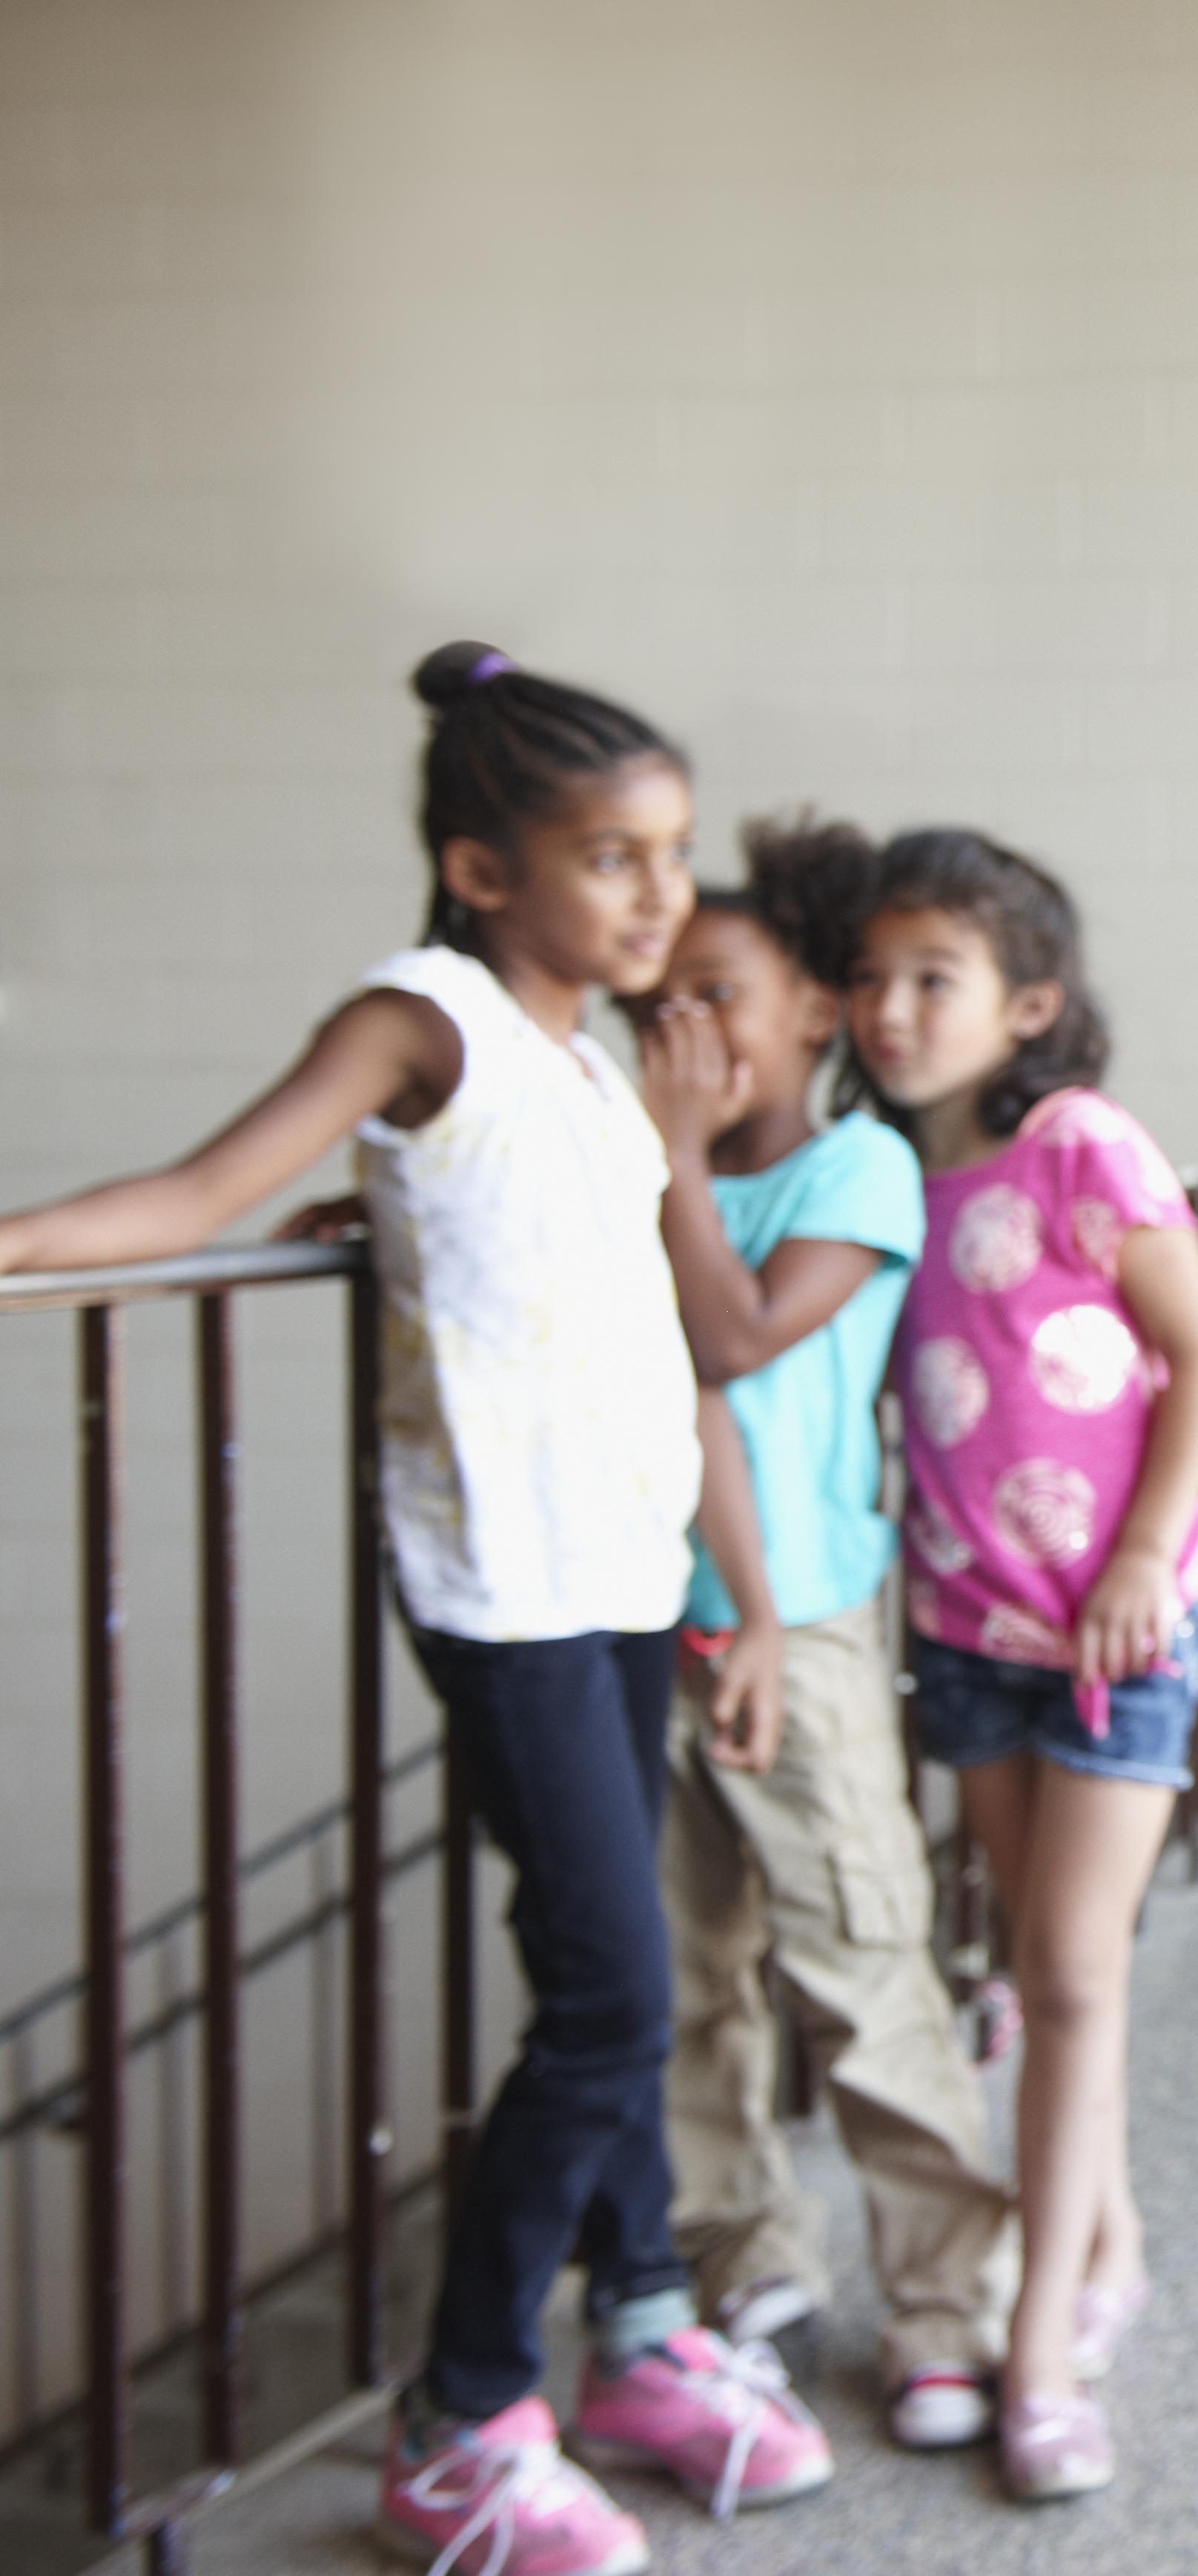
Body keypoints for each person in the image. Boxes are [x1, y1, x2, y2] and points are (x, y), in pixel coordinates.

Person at [0, 646, 834, 2574]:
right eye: (609, 857)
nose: (651, 895)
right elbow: (211, 1179)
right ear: (479, 866)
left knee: (606, 1977)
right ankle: (460, 2423)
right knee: (616, 1992)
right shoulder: (425, 1014)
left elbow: (670, 1350)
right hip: (509, 1595)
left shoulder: (602, 1071)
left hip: (627, 1572)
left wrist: (757, 1601)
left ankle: (635, 2325)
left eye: (669, 856)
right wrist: (24, 1241)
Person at [844, 826, 1198, 2502]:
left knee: (1073, 1976)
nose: (887, 1008)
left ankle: (1038, 2353)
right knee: (1032, 1964)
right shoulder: (880, 1179)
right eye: (868, 976)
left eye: (934, 977)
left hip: (1110, 1631)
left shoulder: (1079, 1146)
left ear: (1030, 1004)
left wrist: (1147, 1549)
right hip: (964, 1631)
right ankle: (1110, 2240)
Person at [633, 815, 1022, 2457]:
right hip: (651, 1619)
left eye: (716, 993)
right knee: (686, 1974)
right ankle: (746, 2259)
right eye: (658, 1004)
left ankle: (947, 2305)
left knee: (860, 1958)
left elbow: (728, 1337)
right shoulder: (659, 1169)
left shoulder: (849, 1168)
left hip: (804, 1623)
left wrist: (668, 1157)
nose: (682, 1036)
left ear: (807, 1013)